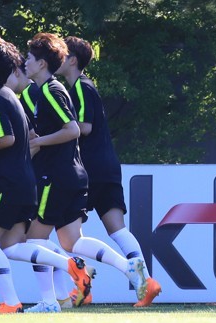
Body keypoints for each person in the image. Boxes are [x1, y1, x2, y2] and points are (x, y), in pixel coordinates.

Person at [0, 35, 91, 314]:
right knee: (11, 246)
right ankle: (69, 265)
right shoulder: (13, 97)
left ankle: (11, 302)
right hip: (25, 183)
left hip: (7, 182)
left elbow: (7, 139)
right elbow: (24, 136)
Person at [23, 32, 147, 312]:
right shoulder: (47, 90)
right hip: (73, 175)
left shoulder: (51, 91)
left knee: (33, 240)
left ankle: (48, 302)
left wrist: (37, 142)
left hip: (56, 176)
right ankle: (127, 266)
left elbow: (74, 129)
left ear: (42, 64)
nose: (25, 62)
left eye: (29, 58)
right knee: (71, 240)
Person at [55, 36, 162, 307]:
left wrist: (50, 133)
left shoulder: (79, 86)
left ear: (73, 60)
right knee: (117, 229)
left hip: (89, 169)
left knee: (64, 236)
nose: (58, 58)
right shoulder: (85, 86)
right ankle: (146, 283)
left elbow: (85, 127)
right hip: (107, 166)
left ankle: (81, 286)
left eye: (62, 54)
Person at [5, 59, 94, 309]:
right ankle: (63, 294)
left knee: (29, 241)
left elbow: (62, 132)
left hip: (51, 176)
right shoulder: (32, 95)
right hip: (49, 175)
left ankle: (52, 296)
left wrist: (28, 154)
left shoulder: (38, 92)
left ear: (16, 72)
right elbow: (33, 138)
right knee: (45, 241)